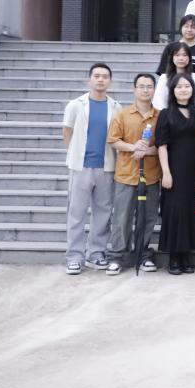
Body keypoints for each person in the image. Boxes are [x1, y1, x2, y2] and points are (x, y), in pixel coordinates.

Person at [62, 63, 121, 274]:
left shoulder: (116, 107)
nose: (100, 79)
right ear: (90, 79)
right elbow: (67, 132)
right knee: (76, 214)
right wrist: (75, 154)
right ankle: (74, 257)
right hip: (81, 167)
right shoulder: (76, 105)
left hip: (106, 167)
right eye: (96, 76)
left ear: (110, 81)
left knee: (103, 213)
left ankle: (96, 253)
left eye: (105, 76)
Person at [106, 73, 161, 275]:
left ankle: (143, 254)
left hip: (151, 175)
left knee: (148, 218)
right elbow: (113, 140)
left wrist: (148, 150)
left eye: (149, 86)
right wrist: (133, 147)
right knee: (122, 218)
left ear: (154, 90)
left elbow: (164, 145)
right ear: (134, 89)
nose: (145, 90)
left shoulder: (160, 116)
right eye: (141, 86)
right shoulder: (122, 114)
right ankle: (116, 256)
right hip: (126, 175)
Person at [155, 74, 195, 275]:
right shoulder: (166, 113)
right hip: (175, 169)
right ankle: (174, 258)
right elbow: (161, 145)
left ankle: (186, 256)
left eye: (187, 86)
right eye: (179, 87)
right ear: (172, 90)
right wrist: (166, 172)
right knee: (175, 211)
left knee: (191, 212)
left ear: (193, 89)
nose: (183, 90)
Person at [156, 15, 195, 81]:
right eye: (186, 26)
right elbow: (164, 72)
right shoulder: (170, 48)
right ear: (181, 28)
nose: (189, 30)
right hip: (173, 85)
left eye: (193, 27)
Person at [153, 42, 195, 111]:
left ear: (189, 58)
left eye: (184, 55)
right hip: (168, 115)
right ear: (172, 58)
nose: (181, 58)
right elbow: (159, 103)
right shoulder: (164, 78)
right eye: (177, 55)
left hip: (192, 115)